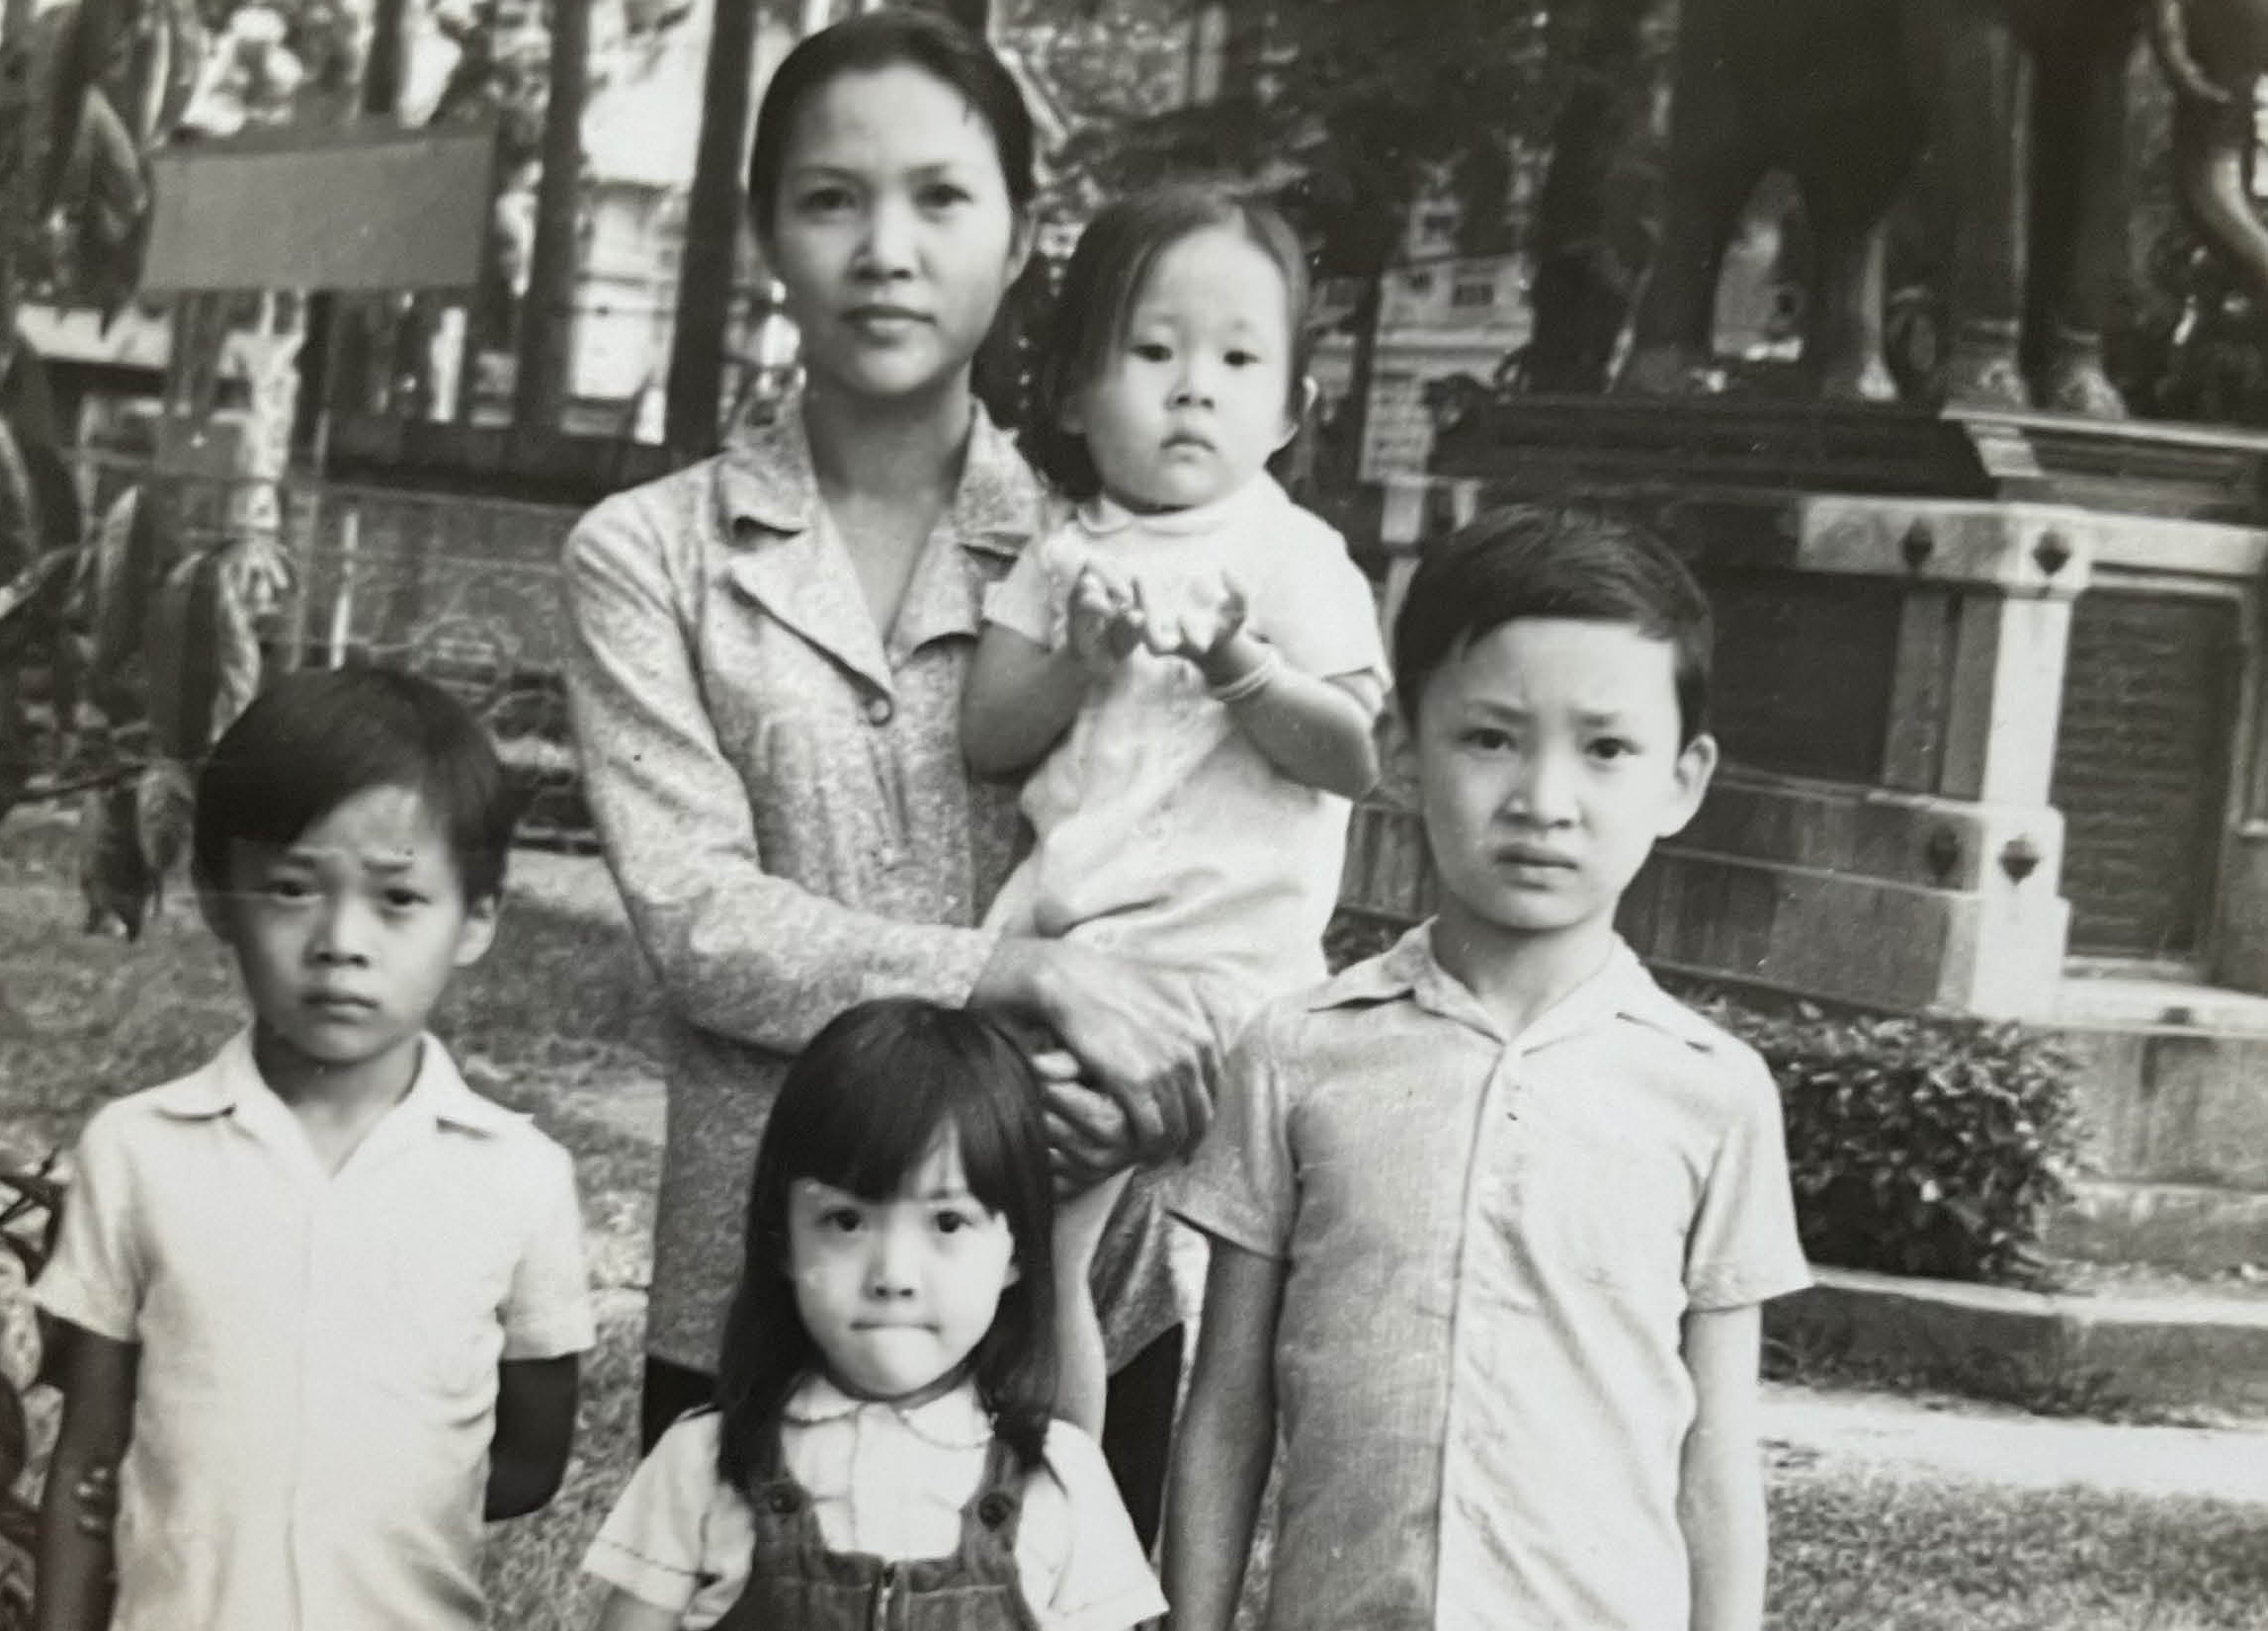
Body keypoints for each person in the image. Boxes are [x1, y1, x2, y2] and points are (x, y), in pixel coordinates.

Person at [558, 7, 1213, 1543]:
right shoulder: (649, 558)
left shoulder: (1117, 556)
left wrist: (1151, 1090)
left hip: (1064, 1280)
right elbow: (701, 920)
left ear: (1020, 233)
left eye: (939, 196)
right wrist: (1015, 970)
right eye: (831, 197)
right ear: (767, 232)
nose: (884, 247)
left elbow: (1206, 880)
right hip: (768, 1289)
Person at [1162, 504, 1814, 1631]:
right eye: (1491, 738)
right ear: (1405, 753)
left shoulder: (1711, 1092)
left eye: (1606, 748)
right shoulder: (1299, 1054)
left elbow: (1716, 1458)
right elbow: (1226, 1410)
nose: (1542, 802)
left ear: (1682, 779)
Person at [32, 668, 596, 1631]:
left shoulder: (519, 1179)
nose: (342, 940)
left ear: (479, 919)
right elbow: (90, 1458)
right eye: (292, 888)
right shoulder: (138, 1153)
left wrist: (354, 1495)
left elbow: (531, 1456)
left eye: (398, 898)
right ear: (218, 900)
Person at [580, 999, 1168, 1631]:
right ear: (783, 1240)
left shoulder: (1063, 1477)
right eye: (847, 1220)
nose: (892, 1275)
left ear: (1017, 1252)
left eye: (947, 1222)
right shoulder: (703, 1459)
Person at [962, 179, 1387, 1034]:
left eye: (1238, 360)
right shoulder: (1062, 553)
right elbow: (985, 738)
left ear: (1288, 413)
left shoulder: (1292, 553)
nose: (1195, 388)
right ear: (1072, 394)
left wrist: (1240, 665)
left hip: (1228, 977)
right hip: (1061, 955)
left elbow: (1351, 760)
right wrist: (1076, 663)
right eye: (1154, 351)